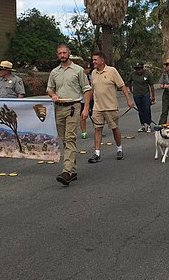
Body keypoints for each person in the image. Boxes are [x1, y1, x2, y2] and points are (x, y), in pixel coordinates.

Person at [47, 44, 92, 186]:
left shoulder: (78, 70)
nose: (62, 55)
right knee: (65, 140)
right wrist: (53, 94)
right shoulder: (54, 72)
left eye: (64, 52)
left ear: (69, 53)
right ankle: (72, 171)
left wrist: (86, 109)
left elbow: (87, 89)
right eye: (59, 53)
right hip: (59, 108)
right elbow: (49, 88)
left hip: (73, 106)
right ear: (57, 55)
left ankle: (66, 171)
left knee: (70, 138)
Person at [87, 51, 134, 163]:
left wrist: (129, 100)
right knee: (97, 129)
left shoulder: (112, 71)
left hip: (110, 107)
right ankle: (97, 153)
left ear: (102, 60)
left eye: (95, 60)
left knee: (114, 128)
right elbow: (92, 90)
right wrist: (88, 105)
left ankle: (119, 149)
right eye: (93, 60)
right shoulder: (93, 73)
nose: (93, 62)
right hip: (97, 108)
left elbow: (122, 86)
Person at [128, 62, 155, 132]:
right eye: (136, 69)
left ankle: (149, 124)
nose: (138, 71)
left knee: (147, 109)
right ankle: (142, 125)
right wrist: (131, 90)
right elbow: (129, 82)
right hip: (137, 94)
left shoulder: (147, 74)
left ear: (142, 68)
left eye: (139, 69)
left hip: (145, 94)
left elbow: (151, 85)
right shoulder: (133, 74)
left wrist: (153, 96)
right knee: (140, 110)